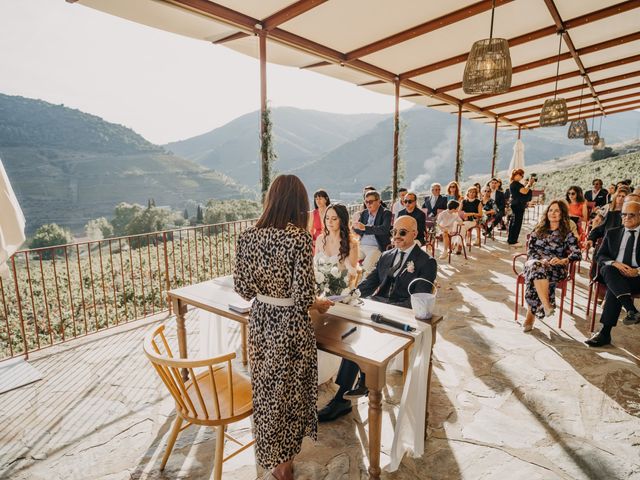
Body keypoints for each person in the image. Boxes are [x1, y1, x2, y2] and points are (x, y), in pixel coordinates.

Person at [233, 174, 333, 480]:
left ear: (271, 199)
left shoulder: (247, 237)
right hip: (290, 326)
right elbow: (303, 296)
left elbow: (243, 289)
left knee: (266, 390)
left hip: (261, 320)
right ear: (298, 204)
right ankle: (284, 465)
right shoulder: (299, 239)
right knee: (288, 393)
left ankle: (271, 457)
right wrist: (319, 302)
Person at [317, 215, 437, 422]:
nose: (396, 236)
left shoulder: (426, 262)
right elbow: (368, 284)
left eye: (402, 232)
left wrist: (381, 309)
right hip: (377, 309)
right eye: (394, 232)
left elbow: (416, 301)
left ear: (415, 234)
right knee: (350, 336)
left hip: (400, 316)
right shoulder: (387, 255)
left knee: (359, 334)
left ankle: (354, 389)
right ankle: (347, 394)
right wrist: (349, 295)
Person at [586, 200, 640, 347]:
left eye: (631, 215)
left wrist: (637, 271)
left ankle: (605, 333)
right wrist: (615, 263)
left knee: (614, 287)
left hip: (638, 278)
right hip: (616, 274)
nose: (626, 218)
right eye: (624, 214)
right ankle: (631, 309)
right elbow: (600, 256)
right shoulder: (612, 233)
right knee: (608, 269)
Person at [521, 201, 581, 332]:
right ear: (546, 213)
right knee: (536, 267)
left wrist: (563, 260)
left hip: (555, 268)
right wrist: (541, 260)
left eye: (557, 211)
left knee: (536, 273)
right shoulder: (538, 230)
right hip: (534, 263)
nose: (553, 213)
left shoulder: (567, 234)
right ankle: (546, 305)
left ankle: (530, 316)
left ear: (562, 214)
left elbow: (577, 253)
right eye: (550, 210)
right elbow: (530, 251)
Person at [314, 203, 360, 289]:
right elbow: (315, 267)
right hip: (319, 289)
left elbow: (352, 276)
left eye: (334, 219)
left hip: (341, 289)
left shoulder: (351, 243)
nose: (329, 222)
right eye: (327, 218)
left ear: (342, 220)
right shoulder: (320, 240)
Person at [353, 190, 392, 275]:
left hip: (376, 247)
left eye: (370, 202)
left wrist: (365, 228)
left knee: (366, 268)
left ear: (378, 201)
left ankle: (363, 286)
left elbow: (384, 229)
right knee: (349, 259)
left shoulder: (386, 213)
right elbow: (358, 230)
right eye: (366, 202)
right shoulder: (364, 213)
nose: (368, 204)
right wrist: (355, 226)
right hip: (362, 245)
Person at [508, 168, 535, 247]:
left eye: (522, 175)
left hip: (516, 204)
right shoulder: (515, 184)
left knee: (514, 222)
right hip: (518, 205)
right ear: (515, 175)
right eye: (520, 175)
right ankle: (513, 240)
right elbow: (524, 191)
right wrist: (529, 184)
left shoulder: (513, 183)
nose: (521, 176)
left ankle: (511, 239)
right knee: (517, 223)